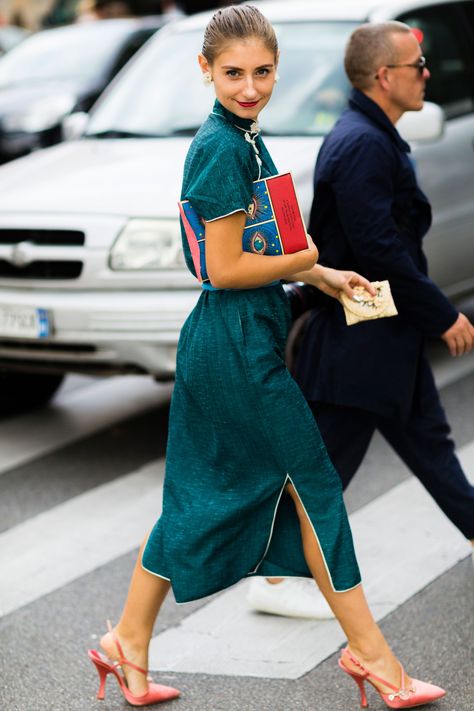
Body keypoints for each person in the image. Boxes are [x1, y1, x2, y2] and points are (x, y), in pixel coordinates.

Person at [87, 7, 446, 707]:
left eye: (262, 72)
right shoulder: (221, 147)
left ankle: (127, 640)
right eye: (233, 74)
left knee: (203, 492)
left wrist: (321, 275)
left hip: (237, 336)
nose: (249, 87)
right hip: (235, 343)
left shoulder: (245, 137)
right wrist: (308, 256)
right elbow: (222, 268)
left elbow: (261, 246)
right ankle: (374, 657)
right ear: (205, 70)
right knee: (314, 489)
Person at [247, 20, 474, 620]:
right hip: (359, 335)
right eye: (418, 65)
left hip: (380, 330)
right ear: (385, 77)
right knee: (324, 466)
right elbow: (378, 250)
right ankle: (272, 578)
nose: (427, 73)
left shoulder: (370, 135)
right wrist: (440, 312)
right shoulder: (363, 144)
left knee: (429, 443)